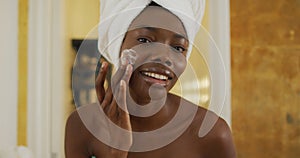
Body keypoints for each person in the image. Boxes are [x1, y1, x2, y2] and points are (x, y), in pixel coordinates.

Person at [65, 1, 236, 158]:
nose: (164, 56)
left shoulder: (212, 133)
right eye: (144, 40)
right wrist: (117, 152)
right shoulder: (81, 126)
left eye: (178, 47)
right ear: (118, 45)